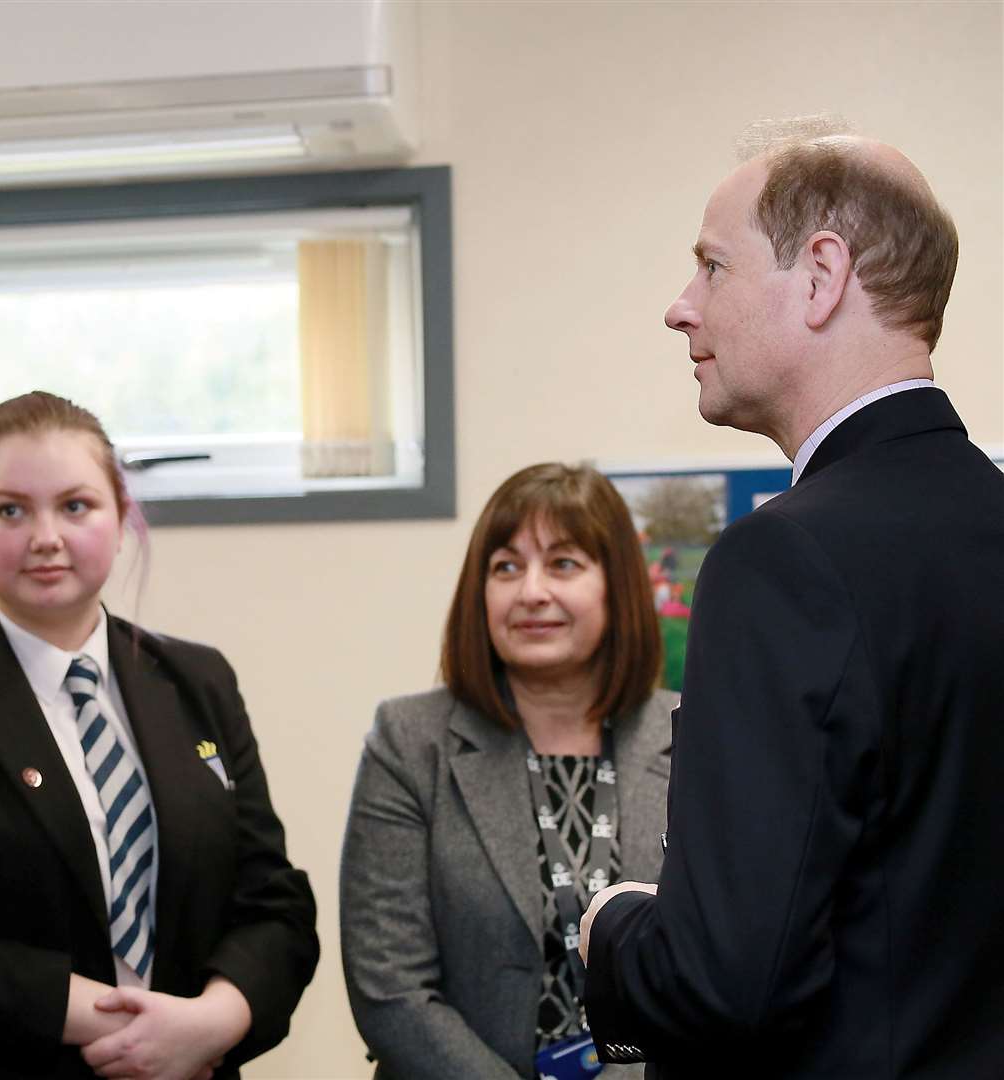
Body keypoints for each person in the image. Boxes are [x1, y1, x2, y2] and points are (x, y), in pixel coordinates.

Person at [579, 123, 1004, 1077]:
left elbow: (727, 987)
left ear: (820, 276)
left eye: (711, 268)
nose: (679, 310)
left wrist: (606, 934)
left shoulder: (783, 559)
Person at [0, 390, 318, 1080]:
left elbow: (272, 901)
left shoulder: (197, 680)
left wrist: (208, 1024)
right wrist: (133, 1027)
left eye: (75, 505)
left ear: (122, 518)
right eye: (8, 510)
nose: (46, 538)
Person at [341, 463, 674, 1080]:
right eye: (506, 567)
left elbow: (721, 961)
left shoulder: (694, 736)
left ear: (618, 586)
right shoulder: (410, 742)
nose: (531, 592)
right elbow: (391, 988)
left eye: (564, 563)